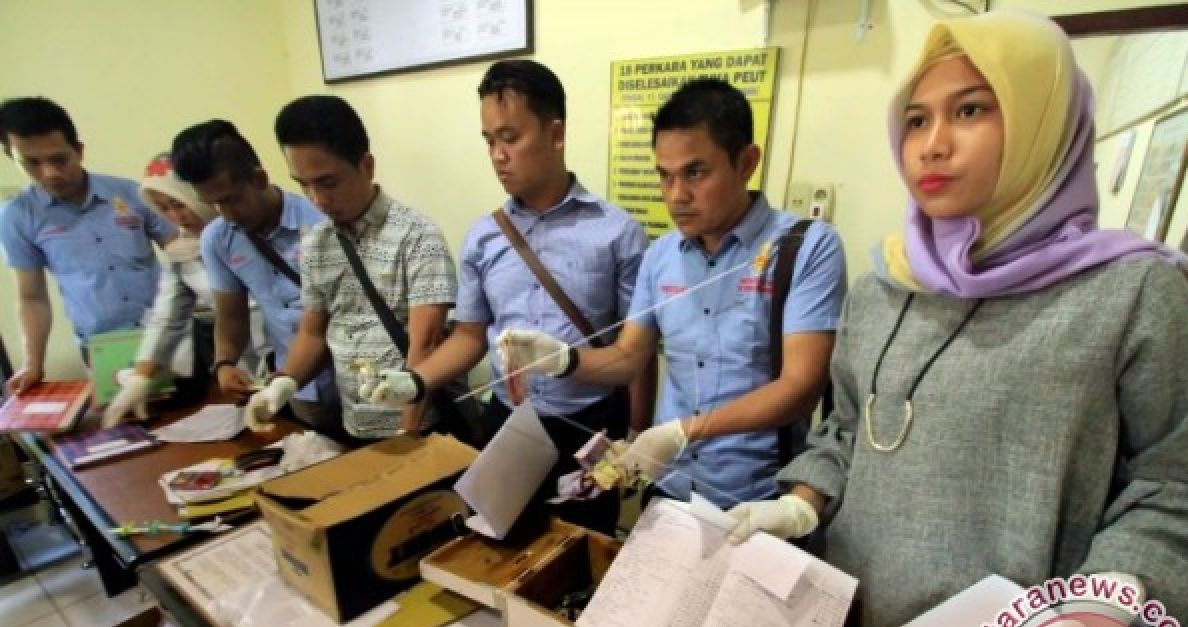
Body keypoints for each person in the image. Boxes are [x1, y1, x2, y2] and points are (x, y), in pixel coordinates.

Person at [725, 10, 1188, 627]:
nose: (933, 144)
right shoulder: (885, 288)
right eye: (917, 119)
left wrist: (1111, 593)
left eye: (971, 111)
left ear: (1045, 125)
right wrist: (801, 502)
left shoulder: (1131, 293)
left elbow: (1178, 484)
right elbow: (843, 434)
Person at [499, 78, 847, 509]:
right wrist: (561, 358)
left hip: (758, 495)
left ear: (746, 162)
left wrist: (684, 430)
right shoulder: (661, 253)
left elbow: (801, 386)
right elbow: (628, 358)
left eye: (695, 173)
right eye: (664, 176)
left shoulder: (806, 246)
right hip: (669, 489)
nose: (676, 196)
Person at [364, 59, 650, 534]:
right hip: (509, 423)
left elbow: (636, 348)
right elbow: (469, 337)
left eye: (510, 137)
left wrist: (635, 434)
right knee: (502, 537)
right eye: (489, 140)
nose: (498, 154)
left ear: (555, 134)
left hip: (590, 422)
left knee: (584, 545)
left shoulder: (616, 232)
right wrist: (415, 381)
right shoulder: (484, 236)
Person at [246, 95, 456, 440]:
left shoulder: (417, 236)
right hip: (353, 424)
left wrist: (408, 431)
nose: (316, 199)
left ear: (366, 165)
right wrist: (284, 382)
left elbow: (426, 345)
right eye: (303, 185)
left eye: (328, 183)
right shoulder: (317, 242)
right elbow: (313, 332)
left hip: (417, 428)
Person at [171, 119, 340, 432]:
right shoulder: (218, 238)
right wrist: (224, 363)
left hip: (350, 379)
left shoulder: (322, 222)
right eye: (212, 203)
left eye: (231, 199)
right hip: (295, 389)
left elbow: (335, 318)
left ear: (259, 179)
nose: (225, 213)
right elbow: (231, 317)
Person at [0, 97, 175, 392]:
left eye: (59, 159)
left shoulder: (130, 193)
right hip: (103, 348)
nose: (50, 173)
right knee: (129, 426)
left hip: (165, 335)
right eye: (32, 163)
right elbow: (32, 298)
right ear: (10, 156)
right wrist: (33, 363)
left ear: (79, 150)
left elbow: (179, 249)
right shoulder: (17, 217)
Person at [102, 153, 218, 426]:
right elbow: (167, 317)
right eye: (163, 208)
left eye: (180, 203)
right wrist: (141, 376)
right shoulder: (181, 250)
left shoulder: (247, 232)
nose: (176, 216)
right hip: (243, 366)